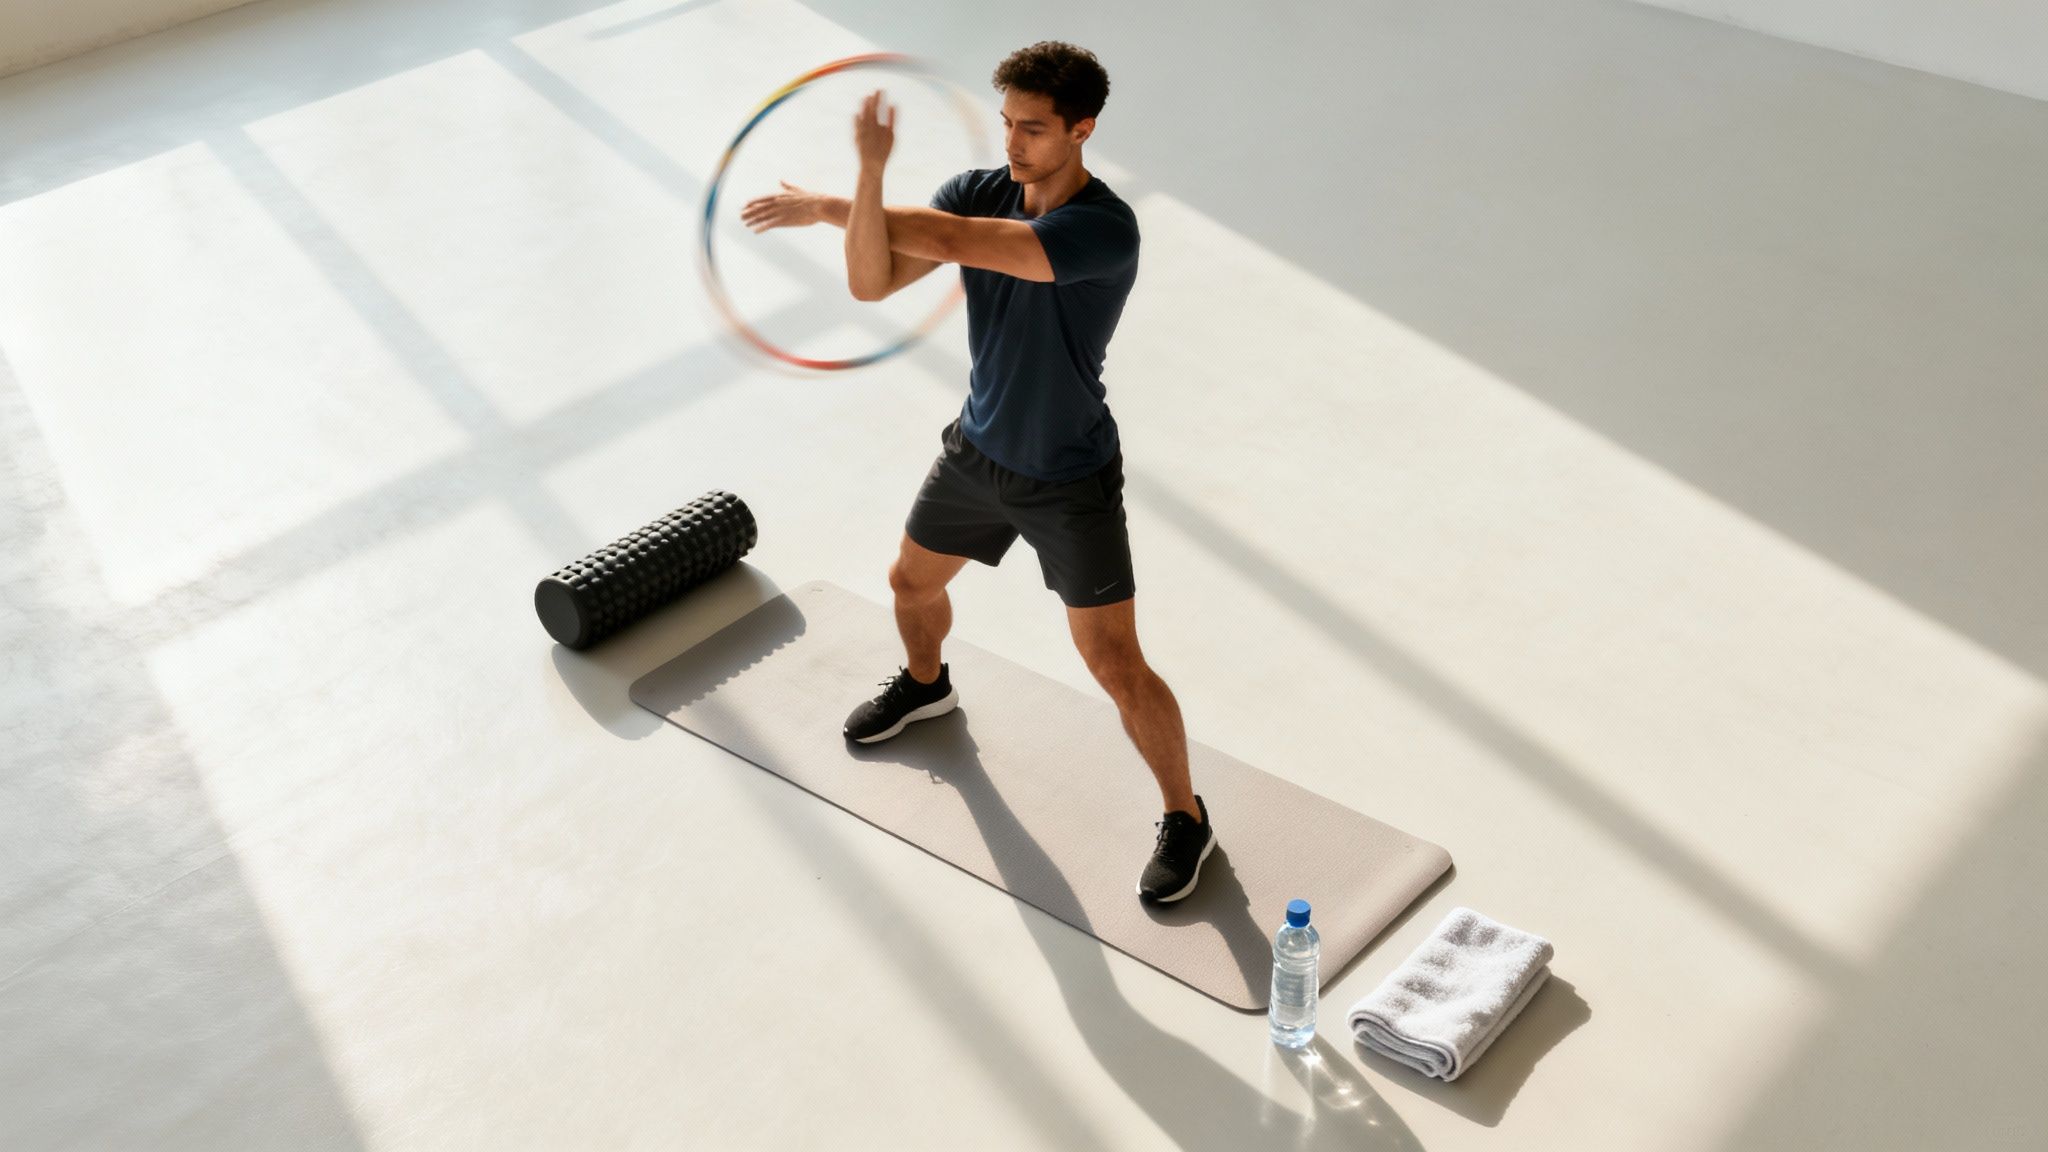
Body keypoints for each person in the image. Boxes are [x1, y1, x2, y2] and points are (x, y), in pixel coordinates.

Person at [739, 42, 1215, 904]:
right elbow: (872, 280)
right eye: (1007, 122)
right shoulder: (976, 186)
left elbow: (963, 243)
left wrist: (832, 200)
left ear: (1082, 130)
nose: (1014, 142)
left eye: (1034, 128)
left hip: (1068, 476)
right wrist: (866, 190)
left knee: (1114, 662)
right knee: (909, 584)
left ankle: (1187, 817)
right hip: (975, 451)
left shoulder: (1104, 230)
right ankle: (928, 686)